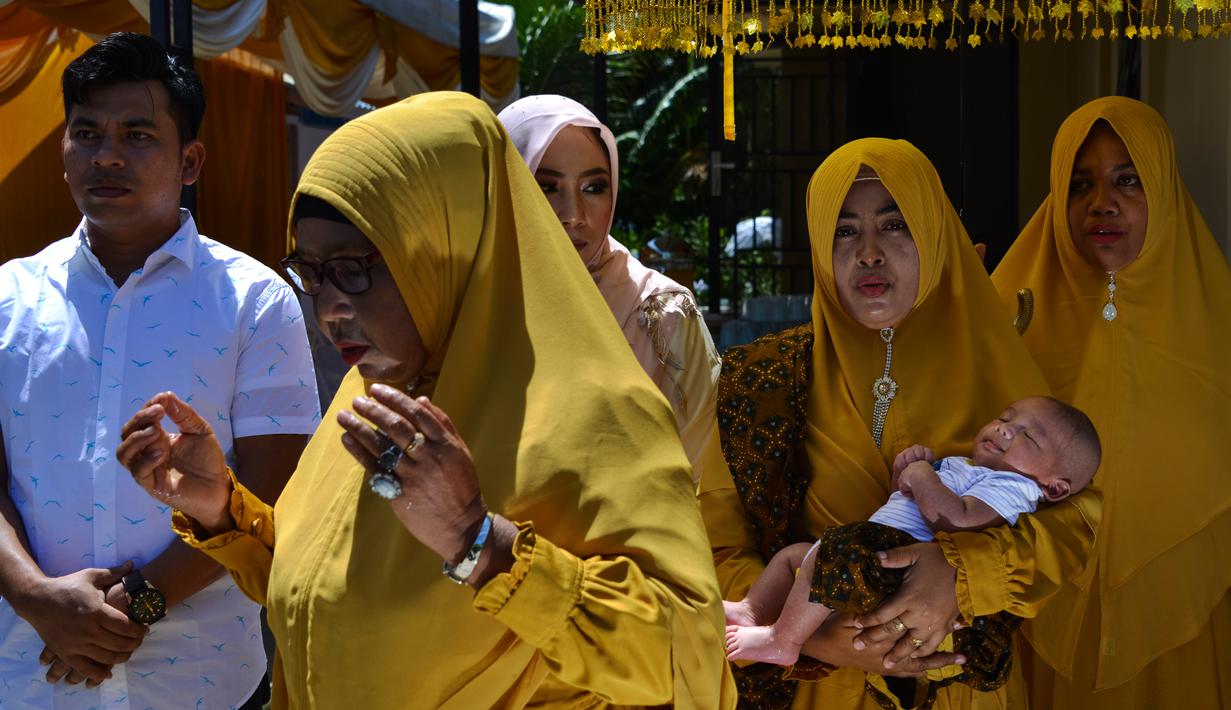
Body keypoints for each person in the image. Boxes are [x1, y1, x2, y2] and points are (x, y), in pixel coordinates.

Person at [114, 91, 737, 708]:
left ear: (449, 251)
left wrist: (481, 544)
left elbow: (689, 662)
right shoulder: (375, 393)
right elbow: (323, 596)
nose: (329, 310)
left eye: (355, 269)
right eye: (312, 273)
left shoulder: (599, 414)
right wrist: (222, 512)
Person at [698, 140, 1103, 709]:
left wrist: (960, 576)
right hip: (816, 690)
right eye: (843, 231)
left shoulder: (1008, 381)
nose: (869, 254)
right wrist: (822, 639)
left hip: (953, 688)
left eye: (895, 225)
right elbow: (714, 543)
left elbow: (1074, 521)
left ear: (935, 237)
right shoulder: (759, 380)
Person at [0, 32, 318, 709]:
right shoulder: (8, 299)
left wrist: (137, 606)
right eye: (87, 132)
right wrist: (36, 598)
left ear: (190, 160)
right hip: (30, 673)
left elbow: (275, 487)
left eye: (137, 134)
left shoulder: (255, 301)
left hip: (201, 679)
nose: (106, 155)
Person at [991, 96, 1231, 709]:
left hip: (1185, 607)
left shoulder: (1219, 323)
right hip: (1036, 604)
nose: (1103, 202)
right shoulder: (1003, 320)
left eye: (1129, 180)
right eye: (1081, 184)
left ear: (1164, 191)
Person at [724, 395, 1101, 699]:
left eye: (1028, 437)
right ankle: (752, 610)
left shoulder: (1013, 486)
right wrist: (902, 478)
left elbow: (955, 520)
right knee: (796, 554)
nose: (1004, 429)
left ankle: (783, 639)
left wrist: (922, 477)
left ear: (1054, 488)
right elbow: (904, 507)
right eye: (1005, 418)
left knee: (823, 556)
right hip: (880, 546)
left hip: (904, 572)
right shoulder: (968, 466)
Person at [498, 95, 724, 484]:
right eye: (547, 186)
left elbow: (700, 476)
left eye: (594, 187)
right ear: (506, 187)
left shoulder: (663, 314)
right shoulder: (470, 303)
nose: (573, 216)